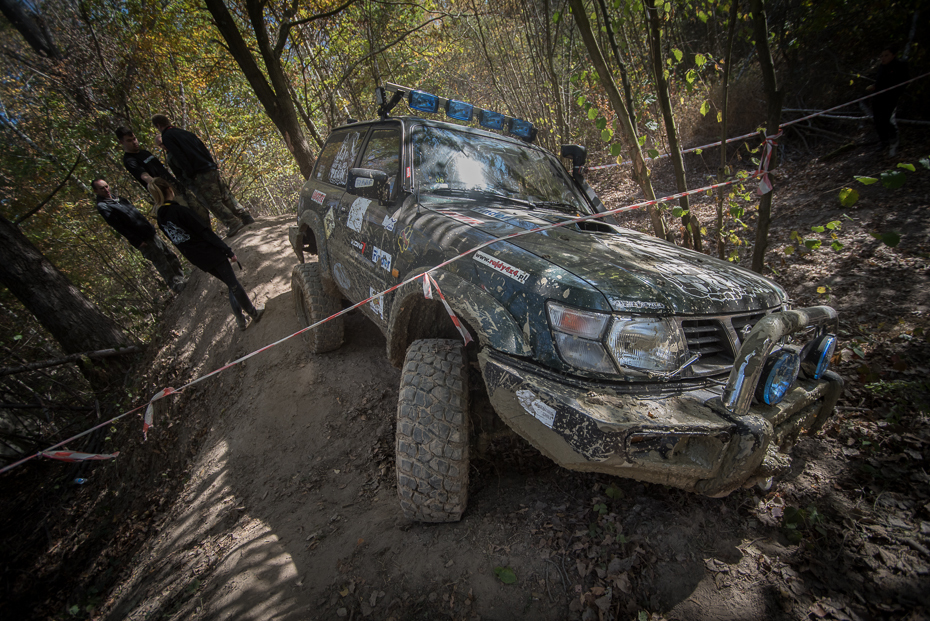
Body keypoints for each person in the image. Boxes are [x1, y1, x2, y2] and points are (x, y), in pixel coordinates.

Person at [147, 177, 264, 331]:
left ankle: (241, 320)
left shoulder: (161, 219)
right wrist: (227, 250)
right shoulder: (180, 211)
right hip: (210, 252)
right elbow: (205, 232)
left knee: (229, 283)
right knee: (233, 284)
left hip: (196, 257)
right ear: (169, 190)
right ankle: (253, 314)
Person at [151, 114, 254, 237]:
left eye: (161, 145)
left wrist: (190, 174)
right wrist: (212, 163)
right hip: (209, 167)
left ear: (158, 126)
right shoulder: (184, 133)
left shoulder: (168, 136)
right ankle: (245, 216)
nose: (163, 147)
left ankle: (233, 223)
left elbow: (180, 156)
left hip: (198, 172)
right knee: (225, 194)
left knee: (212, 201)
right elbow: (202, 147)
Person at [91, 178, 186, 294]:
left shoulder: (118, 199)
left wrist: (150, 226)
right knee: (161, 262)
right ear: (96, 191)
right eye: (102, 188)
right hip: (141, 238)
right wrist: (137, 241)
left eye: (106, 186)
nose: (106, 189)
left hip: (148, 231)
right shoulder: (103, 206)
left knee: (169, 255)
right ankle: (176, 286)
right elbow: (119, 227)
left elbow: (135, 213)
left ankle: (182, 279)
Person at [115, 126, 214, 229]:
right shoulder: (129, 160)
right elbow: (144, 176)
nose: (134, 142)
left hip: (177, 186)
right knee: (191, 219)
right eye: (129, 141)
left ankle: (210, 235)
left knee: (202, 211)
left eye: (134, 138)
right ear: (122, 142)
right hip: (167, 194)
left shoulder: (145, 153)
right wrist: (154, 182)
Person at [866, 44, 909, 156]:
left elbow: (903, 82)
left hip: (891, 97)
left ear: (893, 55)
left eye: (886, 55)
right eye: (882, 56)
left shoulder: (900, 65)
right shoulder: (882, 67)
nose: (883, 58)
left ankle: (894, 140)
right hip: (878, 96)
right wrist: (874, 86)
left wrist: (895, 92)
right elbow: (880, 81)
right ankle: (883, 141)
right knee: (877, 119)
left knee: (887, 118)